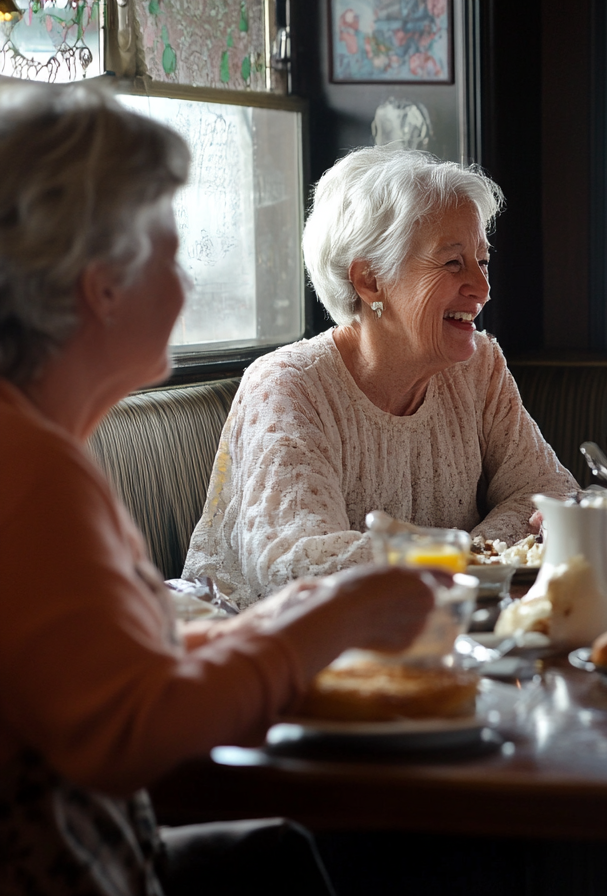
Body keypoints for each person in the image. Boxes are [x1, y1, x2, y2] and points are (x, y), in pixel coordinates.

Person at [0, 82, 436, 894]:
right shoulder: (28, 470)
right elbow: (133, 728)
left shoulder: (36, 442)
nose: (189, 280)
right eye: (170, 250)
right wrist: (339, 615)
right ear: (102, 286)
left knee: (284, 857)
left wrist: (307, 619)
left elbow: (127, 667)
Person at [184, 146, 577, 607]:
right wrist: (466, 560)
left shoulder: (477, 369)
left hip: (435, 635)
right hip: (269, 656)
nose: (483, 288)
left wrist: (475, 559)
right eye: (453, 263)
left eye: (482, 261)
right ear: (370, 281)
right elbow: (295, 564)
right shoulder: (289, 386)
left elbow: (548, 493)